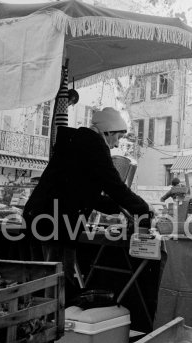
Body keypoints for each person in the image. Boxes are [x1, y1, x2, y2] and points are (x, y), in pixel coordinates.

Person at [23, 107, 153, 300]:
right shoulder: (95, 145)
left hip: (38, 214)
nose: (116, 144)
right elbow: (114, 186)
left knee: (40, 281)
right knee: (57, 281)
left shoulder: (76, 143)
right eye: (117, 137)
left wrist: (116, 207)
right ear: (107, 131)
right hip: (57, 221)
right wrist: (143, 209)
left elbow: (79, 189)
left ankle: (37, 322)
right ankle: (55, 323)